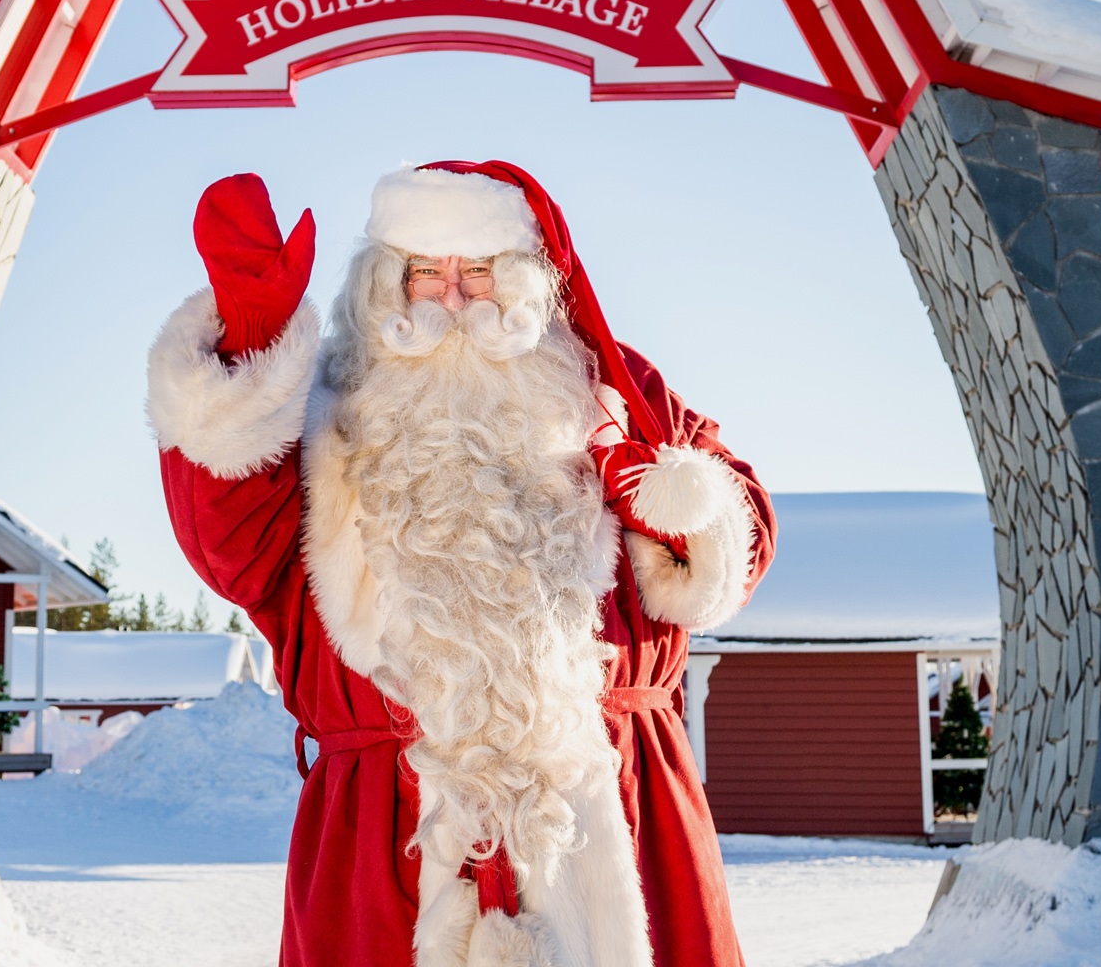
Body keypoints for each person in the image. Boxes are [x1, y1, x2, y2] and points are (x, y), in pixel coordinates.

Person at [146, 161, 775, 967]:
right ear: (384, 284)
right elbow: (226, 545)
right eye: (423, 272)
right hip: (388, 844)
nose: (450, 297)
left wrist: (670, 496)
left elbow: (741, 538)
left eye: (477, 271)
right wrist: (251, 346)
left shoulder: (610, 388)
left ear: (523, 282)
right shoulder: (319, 410)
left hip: (616, 811)